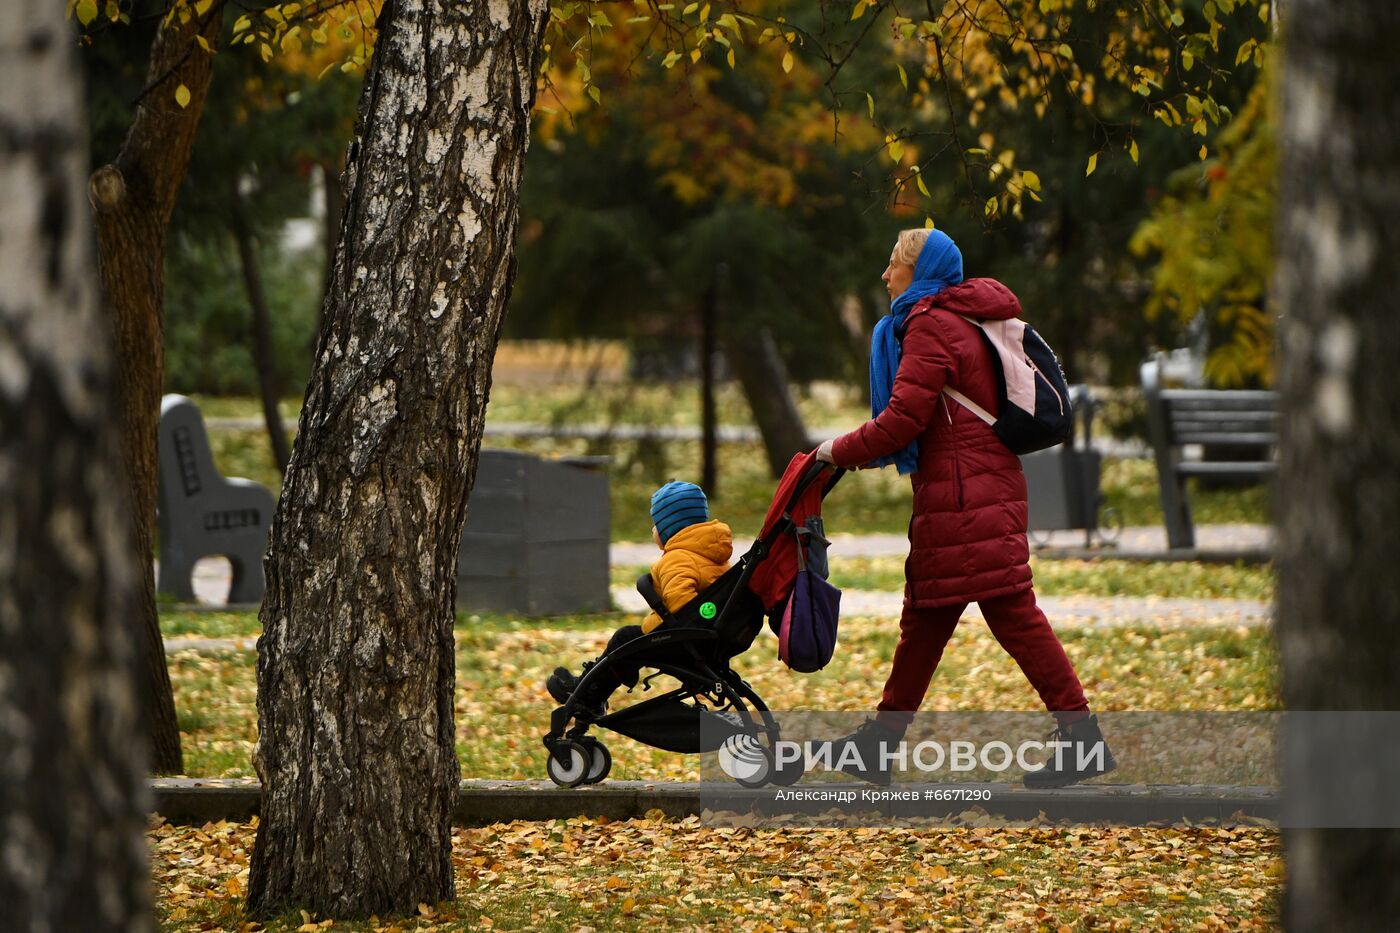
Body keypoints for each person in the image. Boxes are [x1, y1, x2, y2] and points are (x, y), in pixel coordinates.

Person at [816, 227, 1114, 788]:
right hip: (972, 488)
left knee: (1010, 617)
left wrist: (835, 451)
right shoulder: (960, 320)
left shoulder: (930, 325)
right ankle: (880, 746)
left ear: (919, 271)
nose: (885, 275)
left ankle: (1082, 741)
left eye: (893, 263)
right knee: (928, 619)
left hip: (963, 493)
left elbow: (904, 419)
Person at [547, 480, 733, 716]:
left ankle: (586, 695)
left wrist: (654, 624)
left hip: (687, 642)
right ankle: (598, 685)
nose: (652, 530)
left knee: (626, 638)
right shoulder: (717, 557)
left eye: (655, 524)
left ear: (670, 527)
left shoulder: (678, 559)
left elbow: (682, 606)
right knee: (631, 641)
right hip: (710, 642)